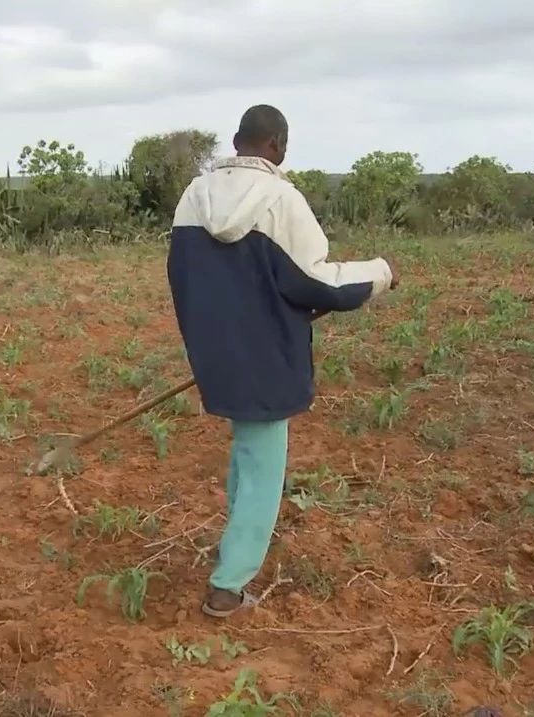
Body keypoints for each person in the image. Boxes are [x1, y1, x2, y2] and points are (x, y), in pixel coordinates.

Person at [166, 104, 400, 618]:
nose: (284, 154)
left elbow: (184, 276)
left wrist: (212, 335)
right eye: (284, 146)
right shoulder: (281, 198)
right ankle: (228, 587)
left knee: (246, 456)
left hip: (215, 350)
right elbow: (315, 282)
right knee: (262, 469)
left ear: (236, 140)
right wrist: (380, 273)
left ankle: (232, 546)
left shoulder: (194, 195)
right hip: (266, 355)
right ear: (274, 144)